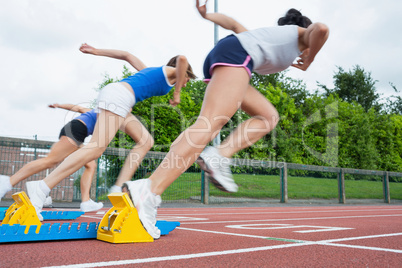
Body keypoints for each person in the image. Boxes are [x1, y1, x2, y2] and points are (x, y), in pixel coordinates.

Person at [121, 1, 329, 239]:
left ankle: (175, 176)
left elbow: (233, 25)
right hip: (236, 57)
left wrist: (208, 15)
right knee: (210, 123)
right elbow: (321, 29)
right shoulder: (302, 36)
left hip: (233, 57)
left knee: (268, 116)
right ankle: (150, 189)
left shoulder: (268, 38)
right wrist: (311, 56)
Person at [23, 43, 196, 235]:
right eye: (187, 79)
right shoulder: (173, 72)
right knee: (95, 149)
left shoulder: (153, 72)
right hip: (119, 97)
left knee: (146, 141)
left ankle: (117, 187)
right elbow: (182, 59)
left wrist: (96, 51)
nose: (186, 83)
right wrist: (178, 91)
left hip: (118, 97)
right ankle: (42, 187)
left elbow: (127, 55)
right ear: (185, 73)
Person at [0, 104, 103, 213]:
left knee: (90, 164)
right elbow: (78, 109)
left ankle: (86, 202)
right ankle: (7, 182)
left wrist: (58, 105)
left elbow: (78, 108)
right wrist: (59, 105)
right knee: (50, 161)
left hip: (76, 130)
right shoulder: (107, 113)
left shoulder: (96, 112)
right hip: (76, 130)